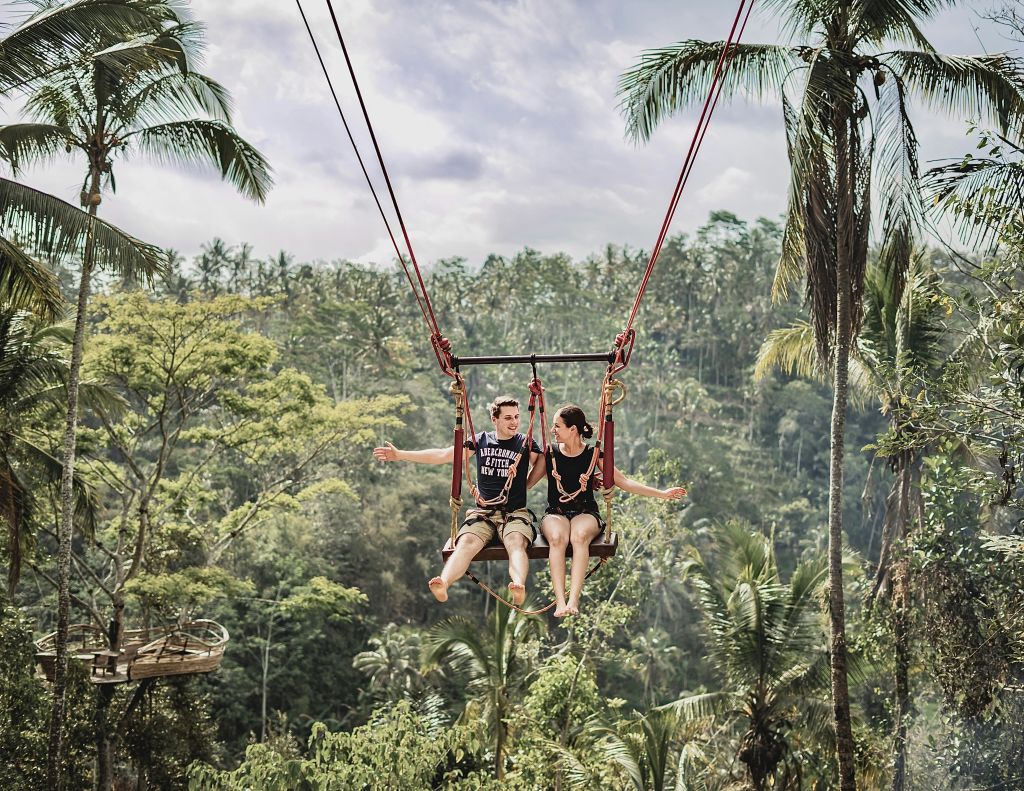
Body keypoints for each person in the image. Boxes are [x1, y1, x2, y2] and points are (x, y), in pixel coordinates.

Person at [372, 395, 542, 605]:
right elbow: (444, 455)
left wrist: (526, 483)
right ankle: (443, 582)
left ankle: (518, 584)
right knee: (466, 543)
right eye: (508, 418)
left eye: (516, 417)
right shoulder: (481, 441)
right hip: (484, 513)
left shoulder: (524, 443)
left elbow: (544, 461)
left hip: (514, 512)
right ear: (494, 419)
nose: (514, 422)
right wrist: (401, 455)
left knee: (516, 541)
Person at [528, 404, 686, 617]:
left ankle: (573, 601)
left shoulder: (593, 455)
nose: (553, 430)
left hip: (585, 512)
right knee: (557, 537)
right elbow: (526, 483)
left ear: (573, 429)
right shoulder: (551, 455)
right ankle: (560, 602)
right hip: (556, 512)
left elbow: (625, 482)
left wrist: (662, 494)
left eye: (557, 426)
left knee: (579, 536)